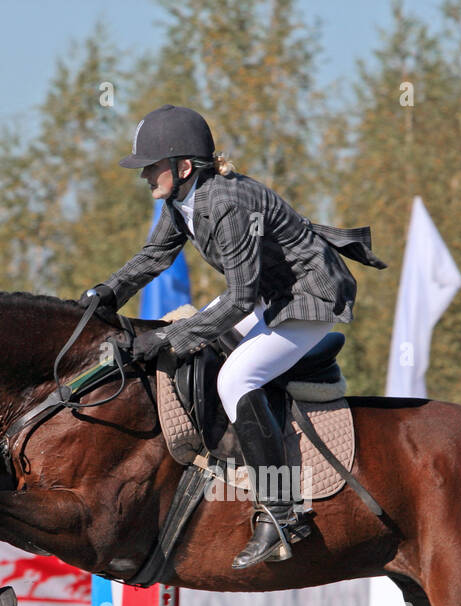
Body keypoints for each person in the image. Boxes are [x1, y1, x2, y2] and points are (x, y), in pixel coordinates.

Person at [79, 104, 386, 569]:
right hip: (269, 295)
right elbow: (153, 257)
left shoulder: (225, 204)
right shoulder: (184, 199)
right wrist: (103, 294)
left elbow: (239, 300)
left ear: (183, 167)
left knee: (235, 379)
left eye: (152, 166)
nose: (144, 175)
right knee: (192, 340)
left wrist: (168, 339)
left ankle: (283, 511)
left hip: (307, 298)